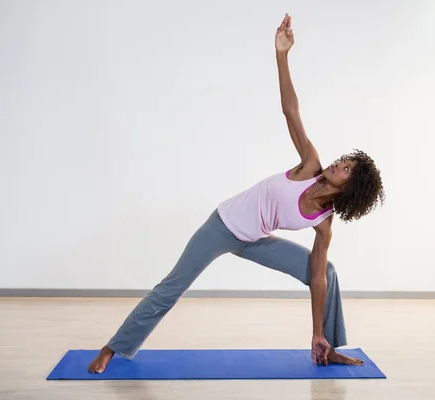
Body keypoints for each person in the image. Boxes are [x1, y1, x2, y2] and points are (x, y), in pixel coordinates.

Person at [88, 13, 385, 373]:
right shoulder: (310, 165)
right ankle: (112, 347)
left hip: (256, 240)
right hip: (223, 226)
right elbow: (290, 111)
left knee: (328, 271)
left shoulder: (324, 223)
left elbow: (317, 278)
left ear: (350, 189)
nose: (340, 164)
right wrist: (281, 55)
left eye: (348, 169)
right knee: (171, 288)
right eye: (344, 161)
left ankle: (329, 345)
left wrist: (315, 331)